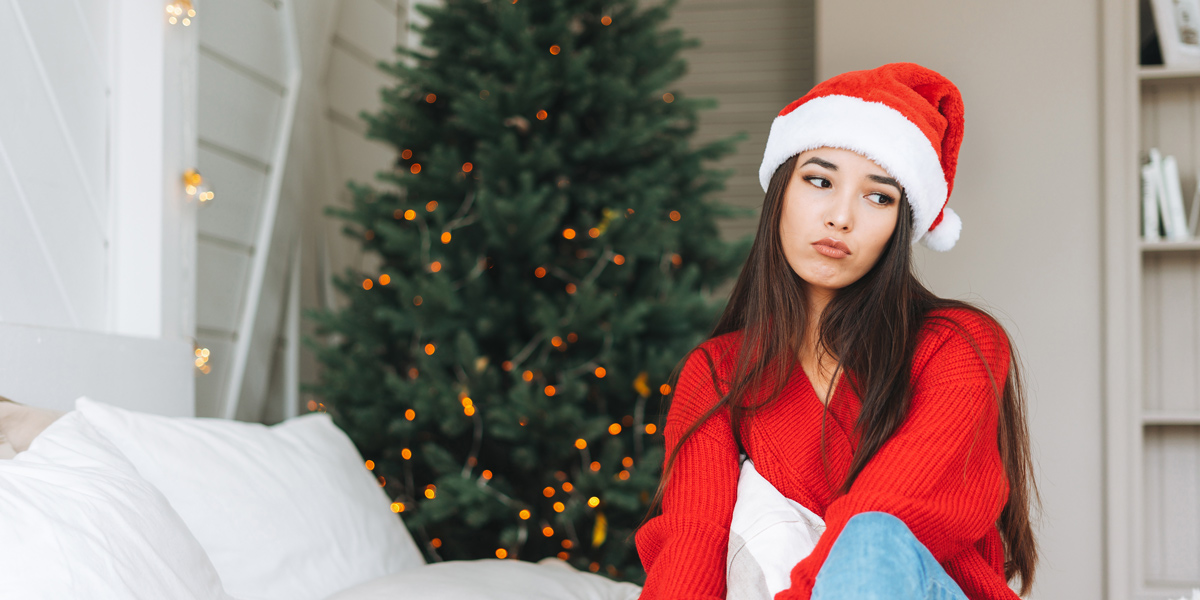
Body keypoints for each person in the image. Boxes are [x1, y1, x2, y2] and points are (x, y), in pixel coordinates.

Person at [635, 63, 1038, 600]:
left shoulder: (959, 343)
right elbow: (693, 541)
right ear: (781, 191)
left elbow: (891, 511)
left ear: (902, 224)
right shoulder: (717, 371)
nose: (840, 217)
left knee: (870, 537)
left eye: (878, 197)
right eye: (819, 181)